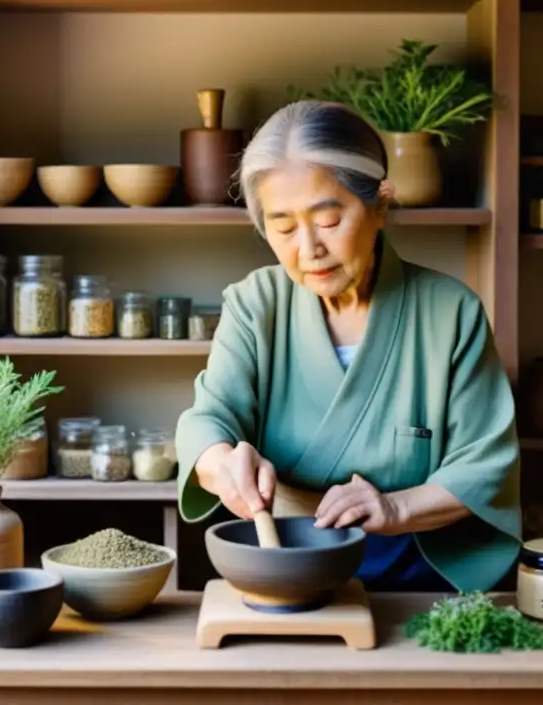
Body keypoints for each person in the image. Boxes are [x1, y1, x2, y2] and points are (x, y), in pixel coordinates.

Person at [174, 100, 520, 593]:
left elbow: (485, 466)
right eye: (284, 226)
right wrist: (219, 462)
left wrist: (395, 508)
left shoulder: (451, 313)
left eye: (329, 220)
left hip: (419, 576)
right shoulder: (255, 304)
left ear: (380, 205)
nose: (308, 248)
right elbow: (207, 420)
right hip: (284, 562)